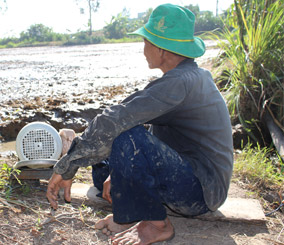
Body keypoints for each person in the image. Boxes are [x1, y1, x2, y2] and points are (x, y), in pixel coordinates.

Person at [46, 3, 233, 244]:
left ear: (160, 49)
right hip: (181, 172)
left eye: (146, 41)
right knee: (103, 169)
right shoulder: (181, 79)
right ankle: (134, 210)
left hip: (201, 191)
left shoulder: (180, 83)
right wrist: (118, 170)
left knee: (125, 136)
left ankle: (156, 224)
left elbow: (114, 120)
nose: (143, 48)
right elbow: (126, 111)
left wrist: (67, 166)